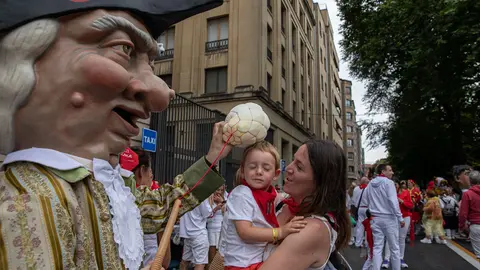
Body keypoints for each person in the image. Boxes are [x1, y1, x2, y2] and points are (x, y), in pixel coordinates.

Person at [0, 1, 227, 269]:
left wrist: (212, 157)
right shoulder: (28, 201)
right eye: (123, 49)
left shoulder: (109, 187)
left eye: (151, 65)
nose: (162, 93)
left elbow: (163, 204)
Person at [258, 139, 351, 270]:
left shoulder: (312, 229)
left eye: (299, 167)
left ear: (320, 183)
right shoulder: (282, 203)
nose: (288, 168)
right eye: (293, 160)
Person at [220, 141, 307, 270]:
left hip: (256, 260)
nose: (259, 172)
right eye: (252, 167)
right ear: (243, 170)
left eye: (266, 168)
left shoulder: (270, 194)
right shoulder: (242, 194)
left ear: (276, 175)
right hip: (242, 264)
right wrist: (281, 232)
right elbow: (245, 232)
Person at [362, 164, 405, 270]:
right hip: (389, 218)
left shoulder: (371, 183)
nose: (392, 172)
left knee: (377, 248)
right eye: (390, 170)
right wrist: (400, 217)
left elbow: (365, 198)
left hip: (375, 218)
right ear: (383, 171)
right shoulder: (389, 183)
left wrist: (374, 206)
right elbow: (393, 201)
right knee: (394, 248)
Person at [382, 180, 413, 269]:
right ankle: (386, 259)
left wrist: (402, 201)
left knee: (401, 238)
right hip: (391, 217)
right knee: (390, 237)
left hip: (405, 217)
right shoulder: (387, 194)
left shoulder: (406, 192)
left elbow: (410, 205)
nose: (394, 187)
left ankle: (401, 258)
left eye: (395, 185)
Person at [458, 170, 480, 259]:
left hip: (475, 225)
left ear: (470, 181)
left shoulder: (467, 194)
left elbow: (463, 213)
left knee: (479, 255)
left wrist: (461, 225)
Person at [207, 186, 226, 266]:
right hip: (211, 227)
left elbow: (228, 211)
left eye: (222, 190)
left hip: (221, 227)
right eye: (218, 189)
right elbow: (206, 214)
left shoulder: (225, 197)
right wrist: (215, 208)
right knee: (212, 250)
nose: (219, 192)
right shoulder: (209, 198)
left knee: (220, 252)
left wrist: (223, 201)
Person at [352, 177, 370, 248]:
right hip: (367, 209)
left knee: (360, 226)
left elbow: (353, 200)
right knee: (368, 226)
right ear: (366, 182)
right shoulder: (368, 189)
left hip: (359, 208)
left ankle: (358, 243)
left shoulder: (356, 188)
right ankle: (367, 242)